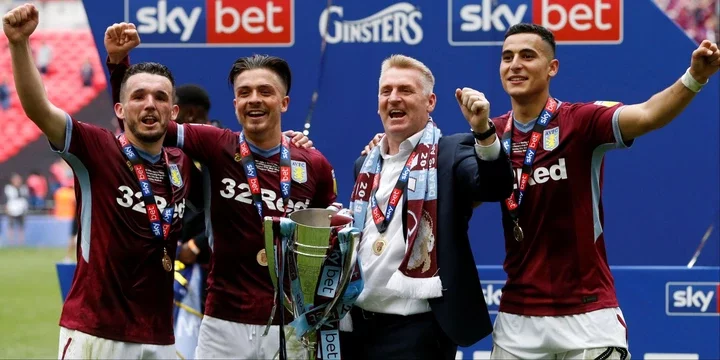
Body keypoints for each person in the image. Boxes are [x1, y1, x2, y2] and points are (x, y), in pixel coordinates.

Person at [106, 23, 337, 359]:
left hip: (292, 324)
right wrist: (119, 65)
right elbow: (143, 122)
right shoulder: (216, 145)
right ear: (234, 103)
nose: (254, 100)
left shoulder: (314, 164)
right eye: (244, 93)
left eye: (265, 91)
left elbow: (326, 237)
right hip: (223, 323)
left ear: (284, 102)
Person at [4, 4, 199, 358]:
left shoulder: (182, 164)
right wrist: (19, 44)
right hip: (95, 333)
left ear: (173, 113)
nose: (149, 105)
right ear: (120, 109)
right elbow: (39, 109)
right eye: (138, 97)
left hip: (160, 337)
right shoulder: (96, 150)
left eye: (160, 97)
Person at [340, 54, 514, 360]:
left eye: (406, 90)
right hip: (355, 328)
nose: (394, 98)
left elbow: (495, 186)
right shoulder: (365, 165)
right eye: (386, 91)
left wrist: (484, 132)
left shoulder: (450, 151)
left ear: (430, 101)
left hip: (417, 332)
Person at [4, 173, 29, 246]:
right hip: (12, 209)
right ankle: (10, 243)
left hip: (21, 209)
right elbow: (8, 198)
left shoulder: (23, 188)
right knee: (11, 226)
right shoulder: (9, 188)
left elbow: (24, 198)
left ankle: (21, 243)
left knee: (21, 227)